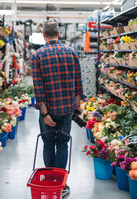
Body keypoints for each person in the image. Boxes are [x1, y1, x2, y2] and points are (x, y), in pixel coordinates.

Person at [31, 20, 86, 198]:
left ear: (43, 35)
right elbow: (79, 84)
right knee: (62, 145)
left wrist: (45, 113)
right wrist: (77, 105)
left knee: (48, 144)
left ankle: (49, 183)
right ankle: (61, 186)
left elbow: (39, 88)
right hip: (67, 109)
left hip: (49, 110)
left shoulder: (38, 55)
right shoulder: (71, 53)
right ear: (59, 34)